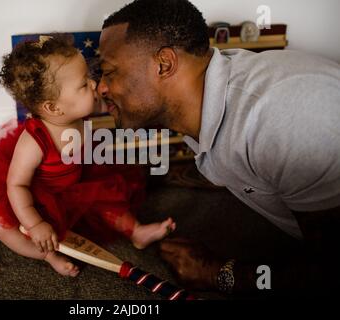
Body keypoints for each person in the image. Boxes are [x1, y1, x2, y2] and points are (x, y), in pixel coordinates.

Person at [97, 0, 340, 294]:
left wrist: (218, 273)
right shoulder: (207, 98)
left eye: (109, 72)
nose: (101, 87)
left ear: (164, 64)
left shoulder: (279, 117)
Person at [0, 35, 176, 277]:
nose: (93, 84)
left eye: (88, 78)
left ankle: (136, 231)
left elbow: (109, 107)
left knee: (106, 198)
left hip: (77, 180)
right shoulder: (34, 142)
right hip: (38, 198)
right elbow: (17, 185)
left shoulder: (77, 111)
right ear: (53, 107)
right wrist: (35, 224)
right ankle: (48, 254)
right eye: (84, 84)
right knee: (0, 224)